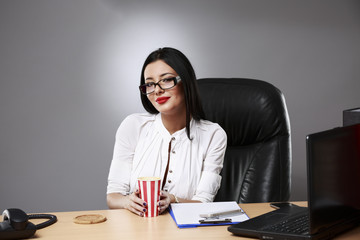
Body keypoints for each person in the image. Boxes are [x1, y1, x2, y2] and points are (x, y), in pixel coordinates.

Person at [106, 47, 227, 216]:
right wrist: (127, 202)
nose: (157, 90)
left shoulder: (213, 135)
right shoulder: (133, 126)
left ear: (186, 82)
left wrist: (173, 199)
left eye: (166, 80)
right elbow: (113, 196)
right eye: (149, 83)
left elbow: (203, 202)